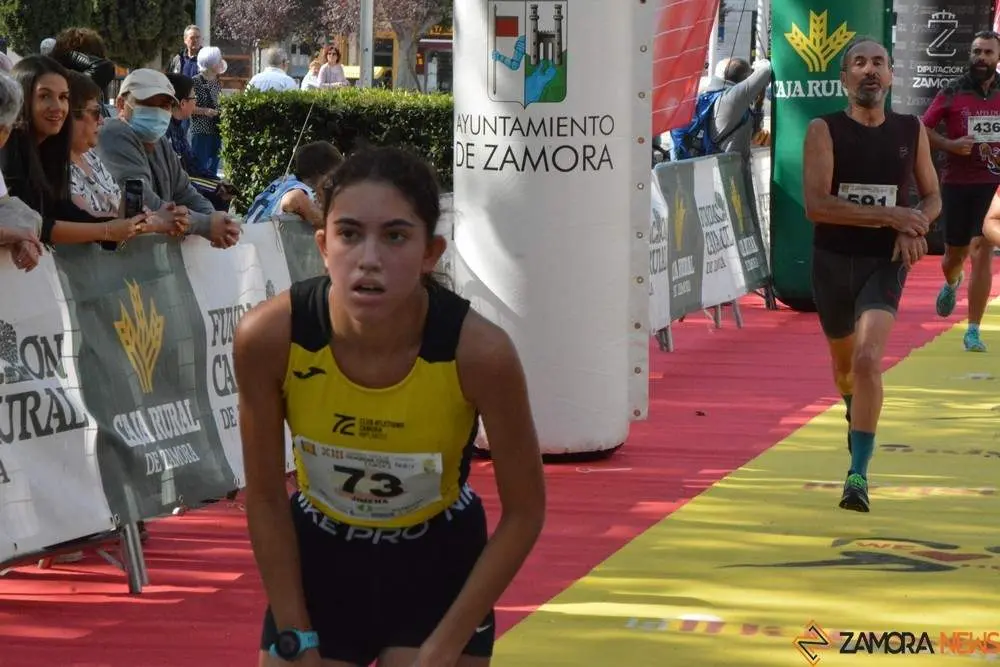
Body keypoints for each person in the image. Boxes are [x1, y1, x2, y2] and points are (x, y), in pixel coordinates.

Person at [233, 146, 546, 666]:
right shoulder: (269, 337)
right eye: (349, 234)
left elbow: (526, 511)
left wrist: (444, 647)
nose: (369, 258)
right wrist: (295, 636)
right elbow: (265, 497)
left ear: (432, 253)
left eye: (395, 236)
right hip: (321, 562)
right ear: (323, 246)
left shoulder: (481, 353)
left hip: (437, 563)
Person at [802, 37, 941, 512]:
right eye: (859, 63)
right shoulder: (824, 130)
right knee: (845, 370)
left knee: (867, 360)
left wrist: (916, 223)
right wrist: (893, 218)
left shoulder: (910, 128)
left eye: (879, 63)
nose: (870, 71)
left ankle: (857, 474)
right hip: (834, 262)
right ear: (844, 78)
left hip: (884, 263)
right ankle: (852, 409)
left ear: (891, 76)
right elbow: (817, 206)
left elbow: (932, 195)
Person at [2, 56, 148, 249]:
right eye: (44, 96)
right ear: (23, 99)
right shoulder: (8, 146)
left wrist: (122, 226)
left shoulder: (51, 149)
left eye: (63, 97)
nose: (58, 108)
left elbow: (63, 211)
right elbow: (37, 224)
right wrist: (108, 231)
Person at [921, 30, 1000, 353]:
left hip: (993, 184)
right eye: (976, 52)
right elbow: (923, 129)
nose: (981, 58)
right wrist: (950, 144)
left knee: (982, 250)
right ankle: (952, 281)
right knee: (955, 256)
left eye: (987, 53)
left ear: (997, 57)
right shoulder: (952, 91)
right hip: (957, 182)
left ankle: (973, 329)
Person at [244, 141, 343, 227]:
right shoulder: (299, 189)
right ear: (321, 172)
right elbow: (293, 199)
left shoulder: (284, 182)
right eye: (334, 175)